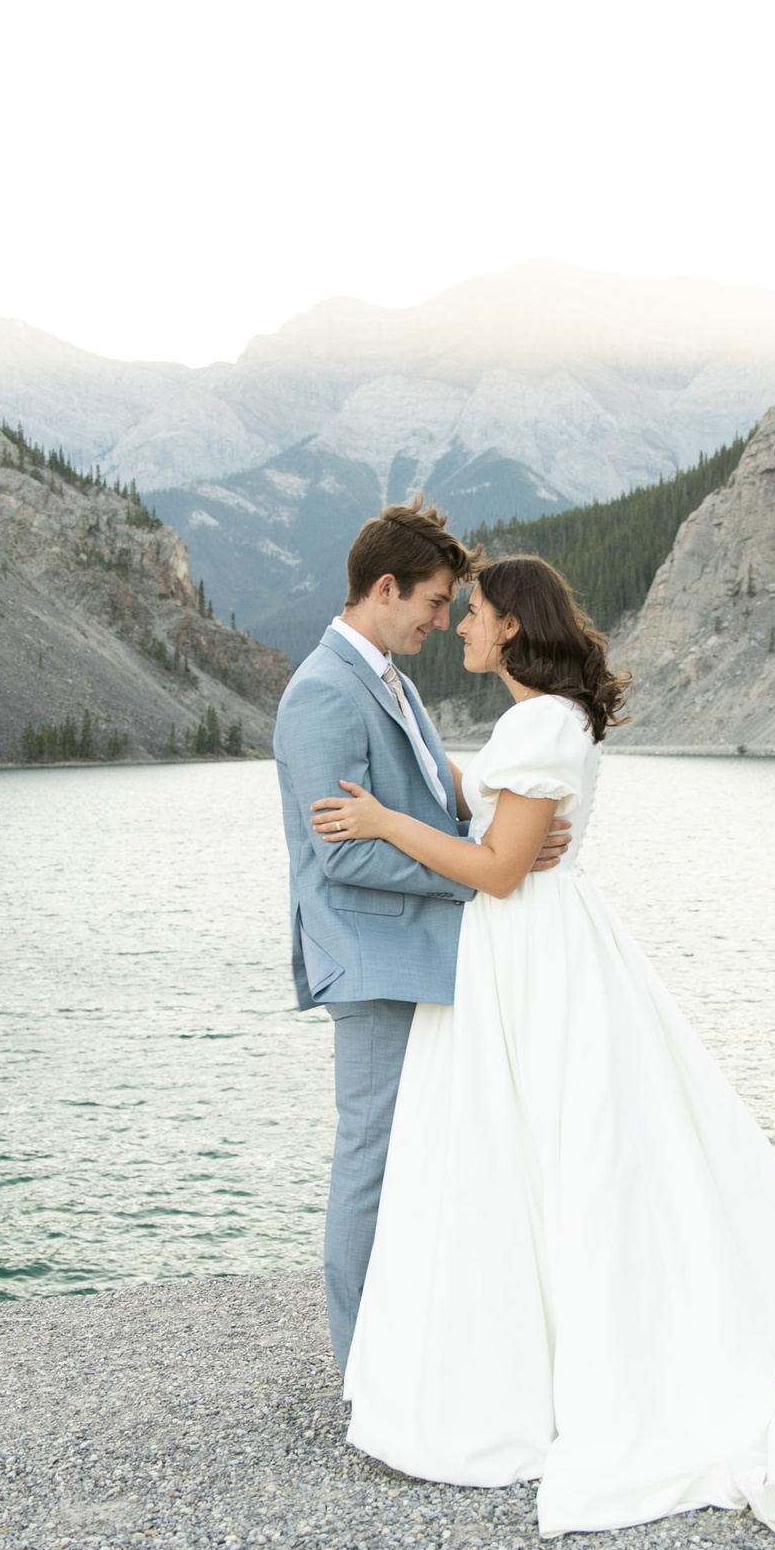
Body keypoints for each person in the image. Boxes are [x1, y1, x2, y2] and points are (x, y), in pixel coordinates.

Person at [307, 554, 775, 1537]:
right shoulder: (541, 722)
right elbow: (490, 806)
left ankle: (527, 1383)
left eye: (476, 612)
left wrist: (380, 821)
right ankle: (536, 1366)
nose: (460, 624)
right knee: (538, 1155)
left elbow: (497, 870)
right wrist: (435, 792)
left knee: (534, 1153)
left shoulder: (540, 722)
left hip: (527, 948)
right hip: (530, 950)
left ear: (512, 626)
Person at [272, 500, 570, 1377]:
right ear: (387, 588)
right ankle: (362, 1365)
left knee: (421, 1154)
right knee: (370, 1158)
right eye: (435, 604)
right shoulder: (324, 690)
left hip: (422, 953)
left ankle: (415, 1341)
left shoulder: (389, 679)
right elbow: (343, 854)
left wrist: (510, 823)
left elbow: (431, 795)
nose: (444, 623)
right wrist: (481, 868)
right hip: (372, 959)